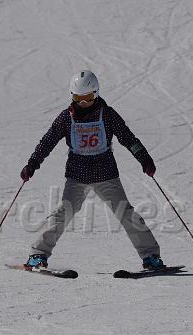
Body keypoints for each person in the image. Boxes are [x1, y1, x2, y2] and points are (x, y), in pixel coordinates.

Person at [20, 70, 165, 270]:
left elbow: (128, 138)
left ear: (96, 94)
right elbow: (48, 141)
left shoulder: (108, 114)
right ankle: (37, 255)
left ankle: (151, 256)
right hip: (77, 175)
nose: (83, 103)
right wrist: (33, 163)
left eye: (88, 98)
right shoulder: (66, 118)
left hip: (106, 174)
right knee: (63, 213)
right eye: (78, 98)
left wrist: (144, 158)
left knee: (125, 213)